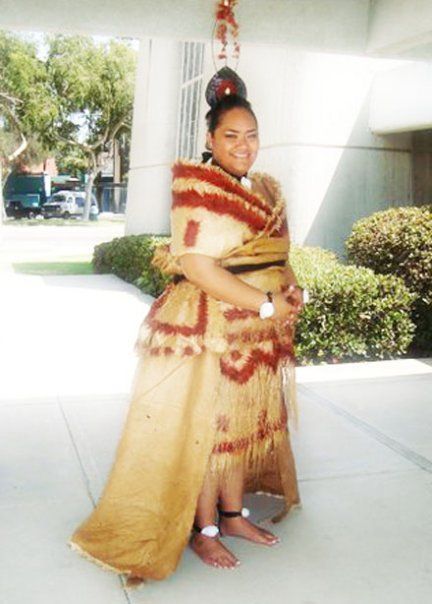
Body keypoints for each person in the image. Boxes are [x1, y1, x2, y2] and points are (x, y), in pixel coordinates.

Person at [68, 68, 304, 587]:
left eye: (251, 135)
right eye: (231, 136)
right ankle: (205, 530)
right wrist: (266, 304)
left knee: (241, 428)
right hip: (214, 324)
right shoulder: (195, 188)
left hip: (258, 327)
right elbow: (199, 267)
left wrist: (290, 289)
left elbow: (275, 253)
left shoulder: (264, 187)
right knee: (210, 432)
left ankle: (235, 515)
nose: (243, 146)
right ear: (209, 139)